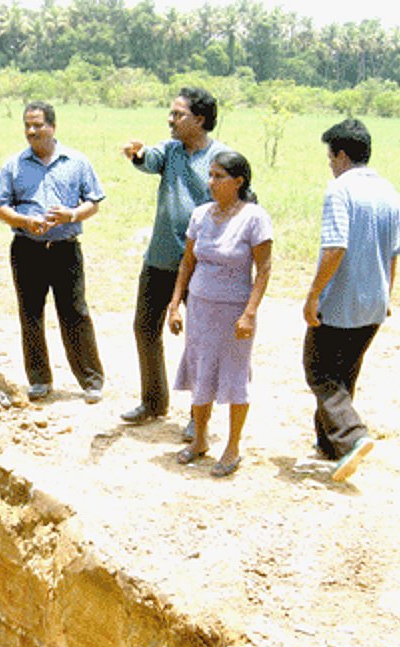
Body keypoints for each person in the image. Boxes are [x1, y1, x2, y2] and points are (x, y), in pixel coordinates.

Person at [120, 87, 228, 435]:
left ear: (199, 120)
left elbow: (239, 204)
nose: (170, 120)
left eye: (177, 114)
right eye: (170, 113)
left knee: (199, 340)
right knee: (144, 327)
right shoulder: (170, 151)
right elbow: (147, 159)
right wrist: (136, 154)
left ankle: (199, 417)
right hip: (161, 258)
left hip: (202, 265)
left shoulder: (222, 158)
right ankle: (153, 402)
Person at [302, 118, 400, 482]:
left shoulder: (340, 190)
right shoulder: (389, 191)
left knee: (318, 369)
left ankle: (351, 437)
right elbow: (395, 251)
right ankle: (330, 445)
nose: (330, 164)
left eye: (330, 157)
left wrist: (313, 295)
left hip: (341, 299)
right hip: (374, 300)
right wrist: (387, 294)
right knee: (344, 373)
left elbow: (335, 246)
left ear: (341, 155)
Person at [0, 100, 106, 403]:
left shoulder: (76, 162)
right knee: (30, 315)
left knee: (75, 313)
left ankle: (91, 381)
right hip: (27, 249)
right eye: (27, 125)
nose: (32, 131)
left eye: (38, 125)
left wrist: (72, 215)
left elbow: (93, 202)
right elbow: (1, 207)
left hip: (65, 249)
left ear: (53, 127)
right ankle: (39, 380)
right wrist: (25, 221)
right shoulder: (13, 165)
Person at [166, 151, 272, 477]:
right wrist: (174, 305)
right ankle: (199, 439)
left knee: (234, 375)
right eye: (210, 176)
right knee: (200, 370)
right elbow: (187, 263)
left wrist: (250, 313)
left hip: (234, 312)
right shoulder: (200, 215)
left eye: (219, 177)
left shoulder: (254, 217)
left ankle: (233, 445)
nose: (211, 182)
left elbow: (264, 268)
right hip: (199, 306)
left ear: (238, 182)